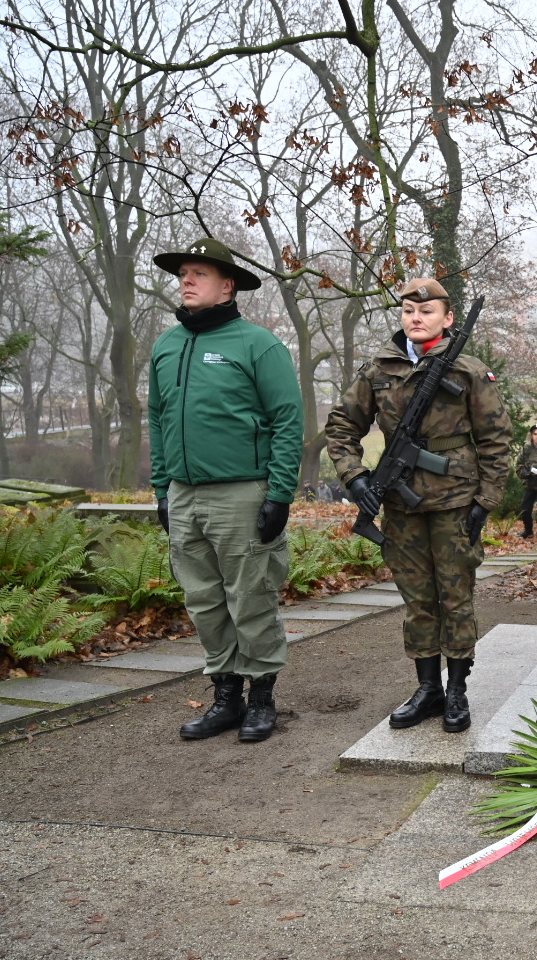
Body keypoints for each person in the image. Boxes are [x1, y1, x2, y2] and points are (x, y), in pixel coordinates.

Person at [325, 278, 512, 734]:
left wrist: (485, 501)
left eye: (427, 311)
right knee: (418, 600)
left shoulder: (468, 370)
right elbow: (342, 425)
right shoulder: (378, 369)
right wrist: (356, 477)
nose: (416, 317)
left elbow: (496, 440)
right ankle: (428, 689)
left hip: (455, 501)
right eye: (409, 310)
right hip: (400, 505)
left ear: (447, 319)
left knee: (456, 597)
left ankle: (457, 690)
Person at [148, 237, 303, 744]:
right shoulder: (167, 345)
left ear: (227, 285)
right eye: (183, 274)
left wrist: (279, 494)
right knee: (203, 600)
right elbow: (158, 419)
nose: (186, 281)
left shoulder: (258, 344)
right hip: (184, 494)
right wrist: (162, 489)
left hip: (242, 493)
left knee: (251, 597)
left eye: (199, 273)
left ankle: (262, 698)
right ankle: (227, 697)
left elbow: (288, 420)